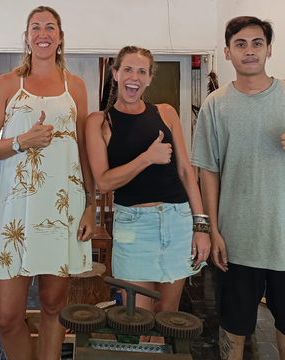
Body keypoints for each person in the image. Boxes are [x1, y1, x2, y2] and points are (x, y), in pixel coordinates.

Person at [190, 16, 285, 360]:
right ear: (227, 52)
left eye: (257, 43)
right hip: (237, 241)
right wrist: (213, 230)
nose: (249, 51)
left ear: (269, 49)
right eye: (240, 44)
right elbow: (208, 171)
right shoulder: (216, 105)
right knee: (233, 326)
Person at [0, 6, 96, 360]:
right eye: (35, 28)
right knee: (7, 317)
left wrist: (91, 204)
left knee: (53, 305)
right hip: (16, 211)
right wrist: (20, 142)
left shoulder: (74, 86)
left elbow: (83, 150)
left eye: (50, 27)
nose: (43, 33)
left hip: (62, 209)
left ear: (60, 37)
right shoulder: (7, 83)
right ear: (27, 37)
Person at [85, 46, 211, 318]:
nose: (135, 77)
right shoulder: (99, 122)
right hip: (134, 226)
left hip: (177, 221)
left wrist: (201, 227)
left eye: (142, 71)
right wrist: (147, 158)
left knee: (167, 313)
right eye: (128, 69)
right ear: (115, 74)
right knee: (137, 318)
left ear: (150, 78)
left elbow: (186, 172)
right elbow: (104, 183)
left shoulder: (166, 113)